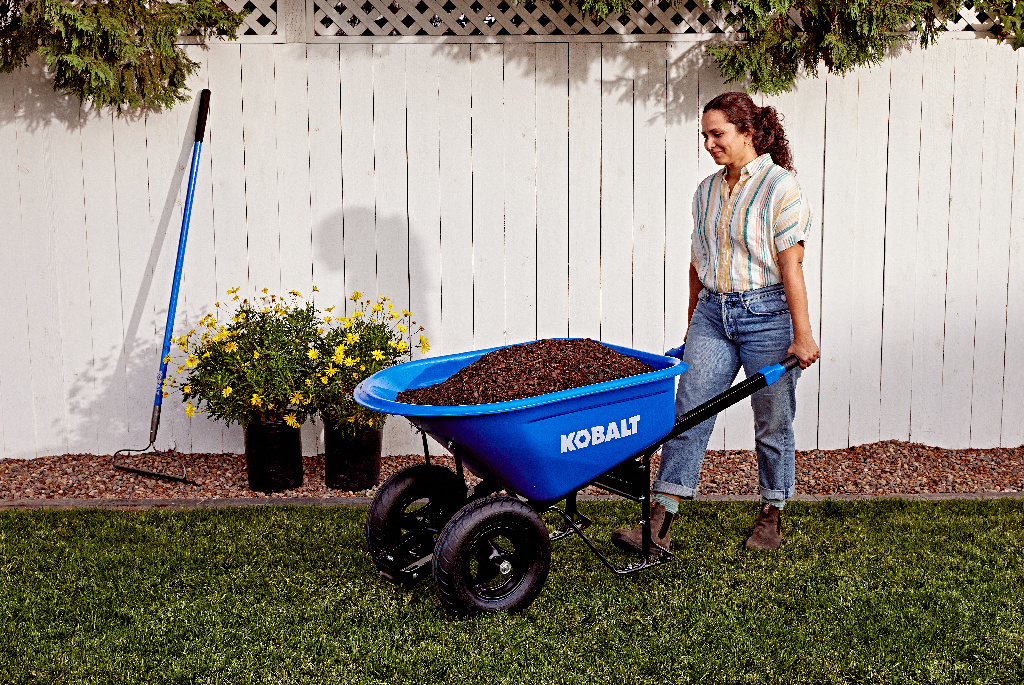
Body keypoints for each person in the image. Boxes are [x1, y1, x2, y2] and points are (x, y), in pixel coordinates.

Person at [612, 91, 820, 553]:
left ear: (748, 131)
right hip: (712, 311)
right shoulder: (705, 192)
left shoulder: (780, 188)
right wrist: (691, 329)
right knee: (689, 411)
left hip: (767, 315)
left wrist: (802, 335)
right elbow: (696, 264)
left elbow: (791, 266)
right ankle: (660, 524)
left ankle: (772, 514)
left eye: (717, 134)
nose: (709, 143)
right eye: (705, 135)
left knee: (772, 419)